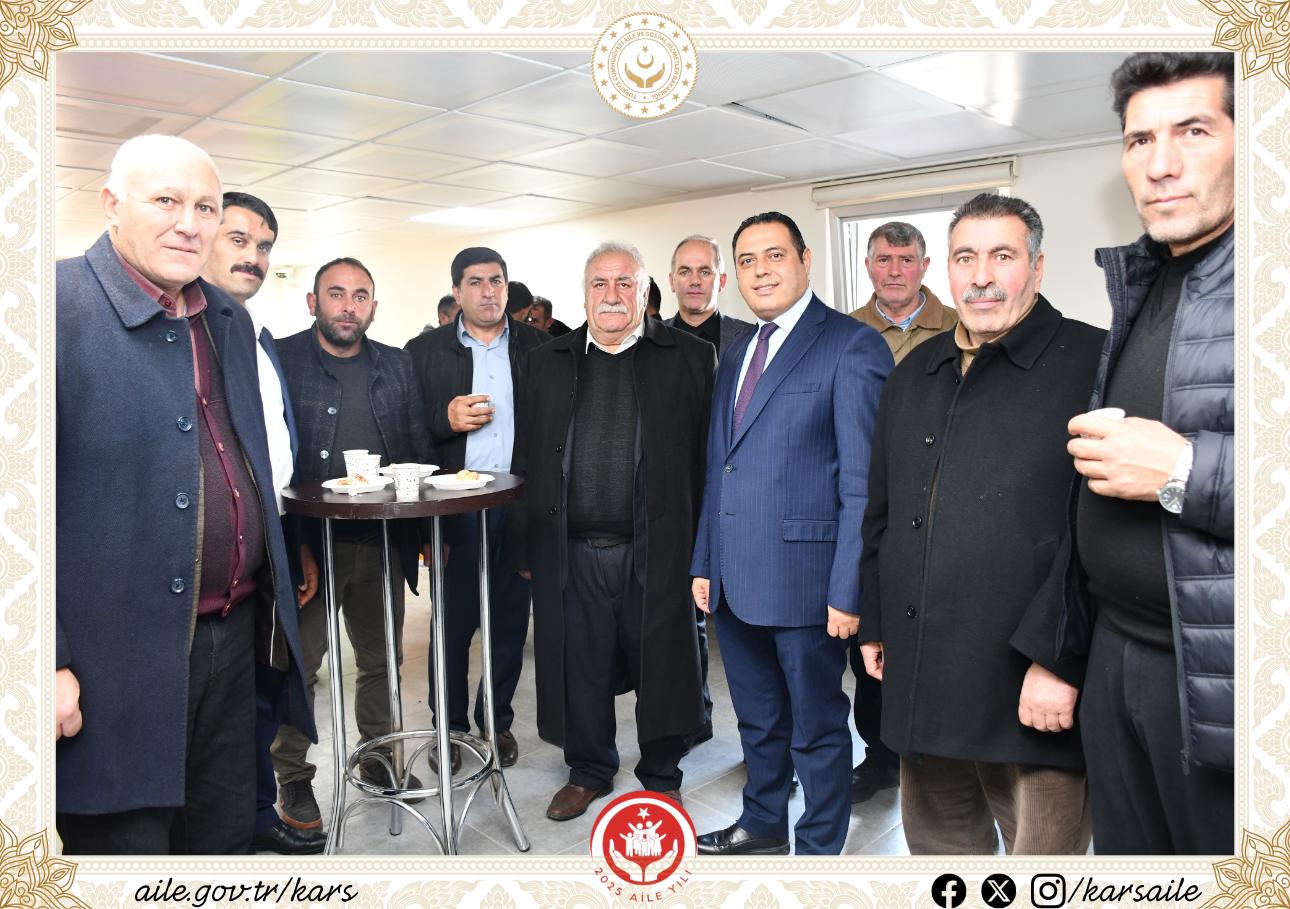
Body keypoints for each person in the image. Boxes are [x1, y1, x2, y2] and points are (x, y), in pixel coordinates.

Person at [55, 135, 315, 854]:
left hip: (232, 641)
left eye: (205, 207)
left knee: (222, 838)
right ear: (112, 204)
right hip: (109, 662)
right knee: (126, 849)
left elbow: (245, 462)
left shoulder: (226, 318)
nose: (189, 223)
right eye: (166, 200)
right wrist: (44, 659)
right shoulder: (49, 307)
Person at [859, 193, 1104, 855]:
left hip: (1030, 684)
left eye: (1003, 255)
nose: (982, 276)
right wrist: (877, 621)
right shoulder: (916, 371)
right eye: (966, 257)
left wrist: (1060, 659)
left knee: (1042, 867)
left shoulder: (1093, 361)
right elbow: (883, 512)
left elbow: (1103, 535)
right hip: (925, 673)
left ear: (1038, 266)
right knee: (942, 856)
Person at [1063, 52, 1234, 855]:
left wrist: (1182, 471)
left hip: (1216, 676)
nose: (1160, 165)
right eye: (1139, 141)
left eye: (1192, 131)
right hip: (1117, 649)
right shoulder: (1145, 278)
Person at [691, 212, 893, 855]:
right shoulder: (736, 352)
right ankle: (762, 824)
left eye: (775, 255)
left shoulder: (851, 345)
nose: (761, 271)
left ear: (806, 260)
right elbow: (720, 467)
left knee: (817, 727)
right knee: (757, 721)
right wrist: (704, 562)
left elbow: (863, 485)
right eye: (747, 260)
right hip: (734, 579)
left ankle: (819, 850)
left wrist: (849, 590)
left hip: (809, 586)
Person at [518, 242, 714, 821]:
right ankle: (588, 770)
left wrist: (706, 552)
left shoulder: (690, 357)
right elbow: (527, 456)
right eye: (599, 284)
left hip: (659, 550)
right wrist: (525, 542)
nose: (611, 295)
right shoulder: (546, 361)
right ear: (584, 294)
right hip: (571, 551)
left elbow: (708, 462)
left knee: (662, 665)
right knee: (580, 664)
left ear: (645, 292)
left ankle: (662, 774)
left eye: (624, 283)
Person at [270, 257, 434, 832]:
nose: (348, 306)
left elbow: (416, 446)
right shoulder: (281, 359)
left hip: (383, 541)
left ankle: (378, 757)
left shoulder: (396, 363)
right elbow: (270, 455)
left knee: (381, 660)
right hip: (310, 548)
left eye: (360, 295)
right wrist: (290, 543)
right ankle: (293, 777)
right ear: (312, 302)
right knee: (301, 665)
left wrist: (423, 535)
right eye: (336, 294)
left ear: (373, 306)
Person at [200, 191, 323, 855]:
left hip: (267, 548)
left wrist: (291, 545)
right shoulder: (186, 336)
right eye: (239, 239)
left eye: (264, 245)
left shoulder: (254, 333)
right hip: (207, 563)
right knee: (216, 709)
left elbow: (275, 450)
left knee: (264, 690)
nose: (254, 256)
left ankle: (254, 813)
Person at [404, 247, 548, 772]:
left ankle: (496, 721)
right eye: (476, 282)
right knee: (451, 628)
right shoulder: (423, 352)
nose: (488, 292)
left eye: (497, 281)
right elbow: (405, 431)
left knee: (508, 627)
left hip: (518, 508)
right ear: (456, 291)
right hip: (453, 513)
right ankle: (449, 729)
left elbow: (553, 435)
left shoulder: (539, 347)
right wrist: (442, 419)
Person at [846, 221, 958, 805]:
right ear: (868, 266)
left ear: (925, 265)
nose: (895, 270)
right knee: (872, 640)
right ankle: (880, 757)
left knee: (944, 641)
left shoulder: (962, 327)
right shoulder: (843, 333)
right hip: (871, 507)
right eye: (884, 259)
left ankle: (948, 758)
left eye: (906, 259)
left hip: (945, 507)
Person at [665, 234, 754, 745]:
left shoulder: (750, 338)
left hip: (740, 498)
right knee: (684, 620)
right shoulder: (651, 340)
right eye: (685, 271)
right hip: (679, 500)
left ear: (721, 279)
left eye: (705, 271)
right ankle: (694, 717)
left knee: (745, 626)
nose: (694, 281)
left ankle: (761, 742)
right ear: (672, 280)